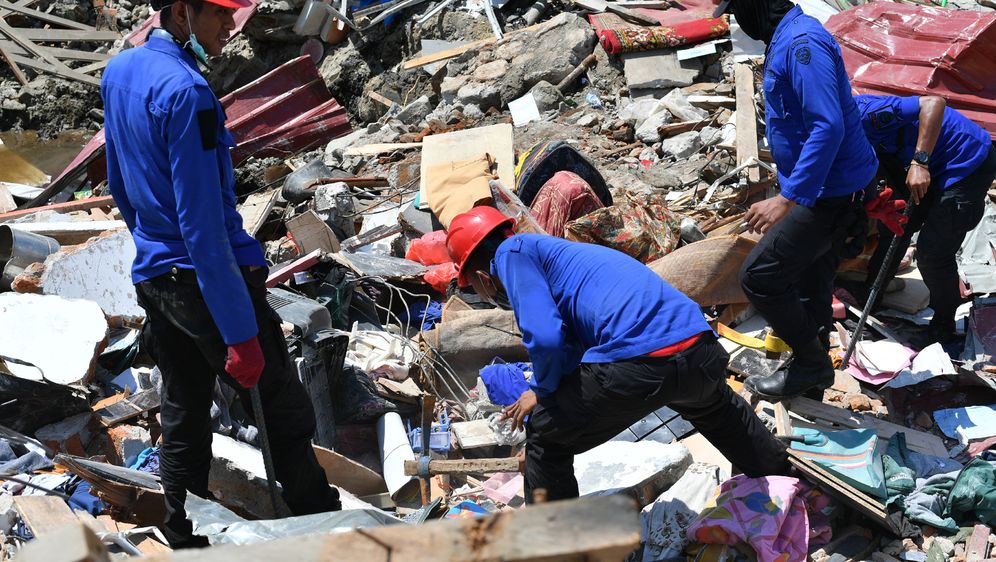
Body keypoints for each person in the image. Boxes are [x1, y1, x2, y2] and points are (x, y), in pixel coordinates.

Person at [101, 0, 340, 548]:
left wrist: (149, 247)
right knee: (282, 410)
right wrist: (239, 333)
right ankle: (325, 529)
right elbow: (204, 229)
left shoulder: (119, 72)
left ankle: (177, 529)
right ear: (182, 13)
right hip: (204, 279)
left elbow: (118, 180)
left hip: (158, 276)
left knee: (183, 404)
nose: (232, 26)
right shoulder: (188, 94)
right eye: (220, 14)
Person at [446, 206, 789, 503]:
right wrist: (546, 386)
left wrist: (543, 390)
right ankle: (789, 485)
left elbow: (547, 338)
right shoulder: (560, 256)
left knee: (547, 434)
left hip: (642, 362)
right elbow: (575, 342)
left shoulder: (511, 255)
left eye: (473, 287)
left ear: (481, 277)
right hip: (699, 348)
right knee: (718, 410)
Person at [715, 0, 884, 401]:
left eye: (739, 6)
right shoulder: (786, 38)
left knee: (760, 277)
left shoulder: (801, 44)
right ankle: (811, 375)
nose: (738, 17)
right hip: (824, 186)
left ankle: (811, 364)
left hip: (829, 193)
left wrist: (788, 198)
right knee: (811, 281)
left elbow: (828, 124)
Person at [854, 93, 996, 347]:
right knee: (895, 226)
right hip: (907, 159)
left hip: (963, 161)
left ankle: (944, 322)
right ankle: (869, 300)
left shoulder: (865, 113)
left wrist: (920, 161)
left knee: (933, 253)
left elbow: (934, 102)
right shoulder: (830, 134)